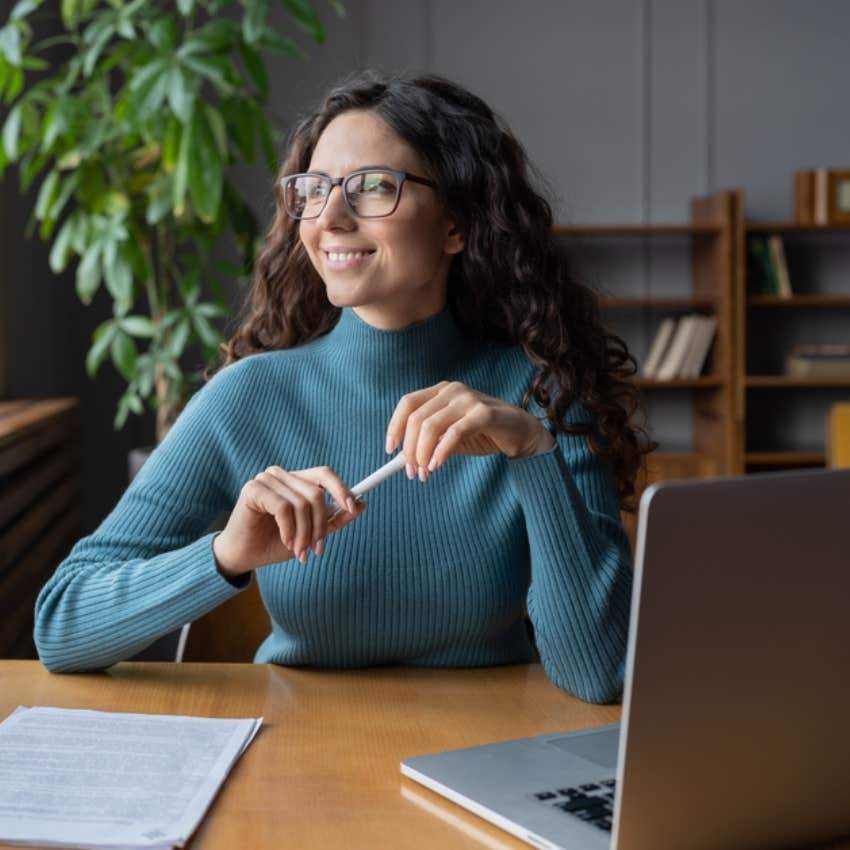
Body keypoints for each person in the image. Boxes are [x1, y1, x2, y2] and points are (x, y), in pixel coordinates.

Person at [35, 70, 648, 704]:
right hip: (298, 768)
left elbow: (599, 674)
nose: (330, 216)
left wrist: (532, 450)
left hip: (487, 761)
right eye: (314, 189)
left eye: (374, 187)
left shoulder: (540, 397)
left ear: (456, 225)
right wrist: (225, 554)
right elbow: (61, 624)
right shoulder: (248, 397)